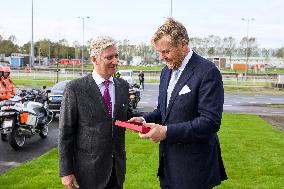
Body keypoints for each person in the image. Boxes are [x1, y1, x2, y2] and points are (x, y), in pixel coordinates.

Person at [129, 18, 227, 189]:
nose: (161, 57)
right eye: (159, 52)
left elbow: (210, 122)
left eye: (166, 51)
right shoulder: (166, 71)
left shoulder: (208, 72)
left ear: (183, 44)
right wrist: (144, 120)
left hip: (195, 170)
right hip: (168, 167)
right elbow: (163, 111)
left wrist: (166, 132)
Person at [59, 36, 134, 189]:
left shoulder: (123, 86)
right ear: (94, 59)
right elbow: (65, 132)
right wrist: (66, 171)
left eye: (116, 56)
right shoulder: (75, 89)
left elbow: (122, 117)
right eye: (109, 57)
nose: (115, 61)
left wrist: (141, 121)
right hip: (87, 173)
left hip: (117, 171)